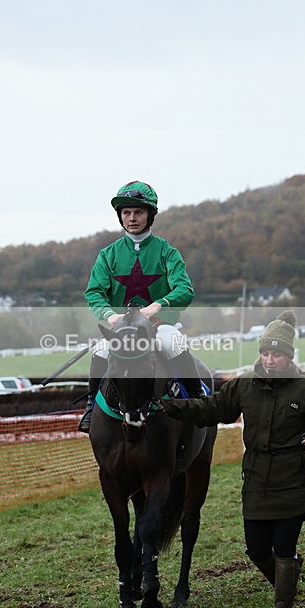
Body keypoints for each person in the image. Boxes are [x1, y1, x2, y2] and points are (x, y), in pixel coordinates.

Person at [160, 311, 305, 608]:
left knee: (284, 547)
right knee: (257, 548)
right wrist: (170, 406)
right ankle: (286, 583)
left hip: (293, 481)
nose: (270, 360)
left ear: (288, 356)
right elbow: (211, 409)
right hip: (257, 481)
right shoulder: (244, 385)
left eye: (277, 354)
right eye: (265, 352)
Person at [78, 179, 205, 433]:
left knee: (173, 344)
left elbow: (185, 289)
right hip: (121, 329)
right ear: (120, 217)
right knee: (101, 352)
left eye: (138, 212)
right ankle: (92, 407)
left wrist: (158, 305)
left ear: (150, 215)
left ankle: (199, 403)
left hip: (161, 326)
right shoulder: (108, 255)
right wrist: (110, 316)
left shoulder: (167, 252)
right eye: (126, 213)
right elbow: (94, 293)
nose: (132, 218)